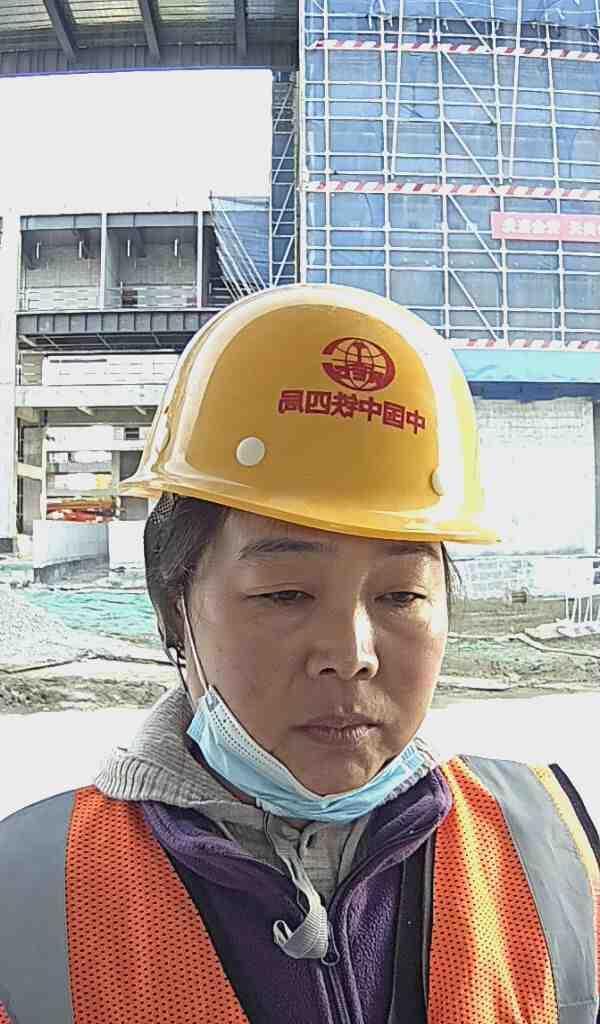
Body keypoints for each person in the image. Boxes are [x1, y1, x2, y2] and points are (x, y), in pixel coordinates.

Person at [1, 284, 599, 1024]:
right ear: (174, 606)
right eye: (284, 594)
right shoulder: (30, 896)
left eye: (401, 595)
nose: (351, 655)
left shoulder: (552, 847)